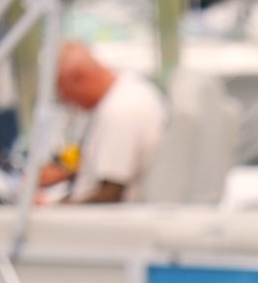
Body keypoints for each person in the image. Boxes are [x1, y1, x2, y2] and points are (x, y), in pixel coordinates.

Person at [38, 41, 167, 203]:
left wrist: (51, 208)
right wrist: (66, 174)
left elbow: (110, 195)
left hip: (110, 221)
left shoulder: (122, 110)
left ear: (78, 78)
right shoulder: (128, 89)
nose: (66, 100)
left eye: (62, 91)